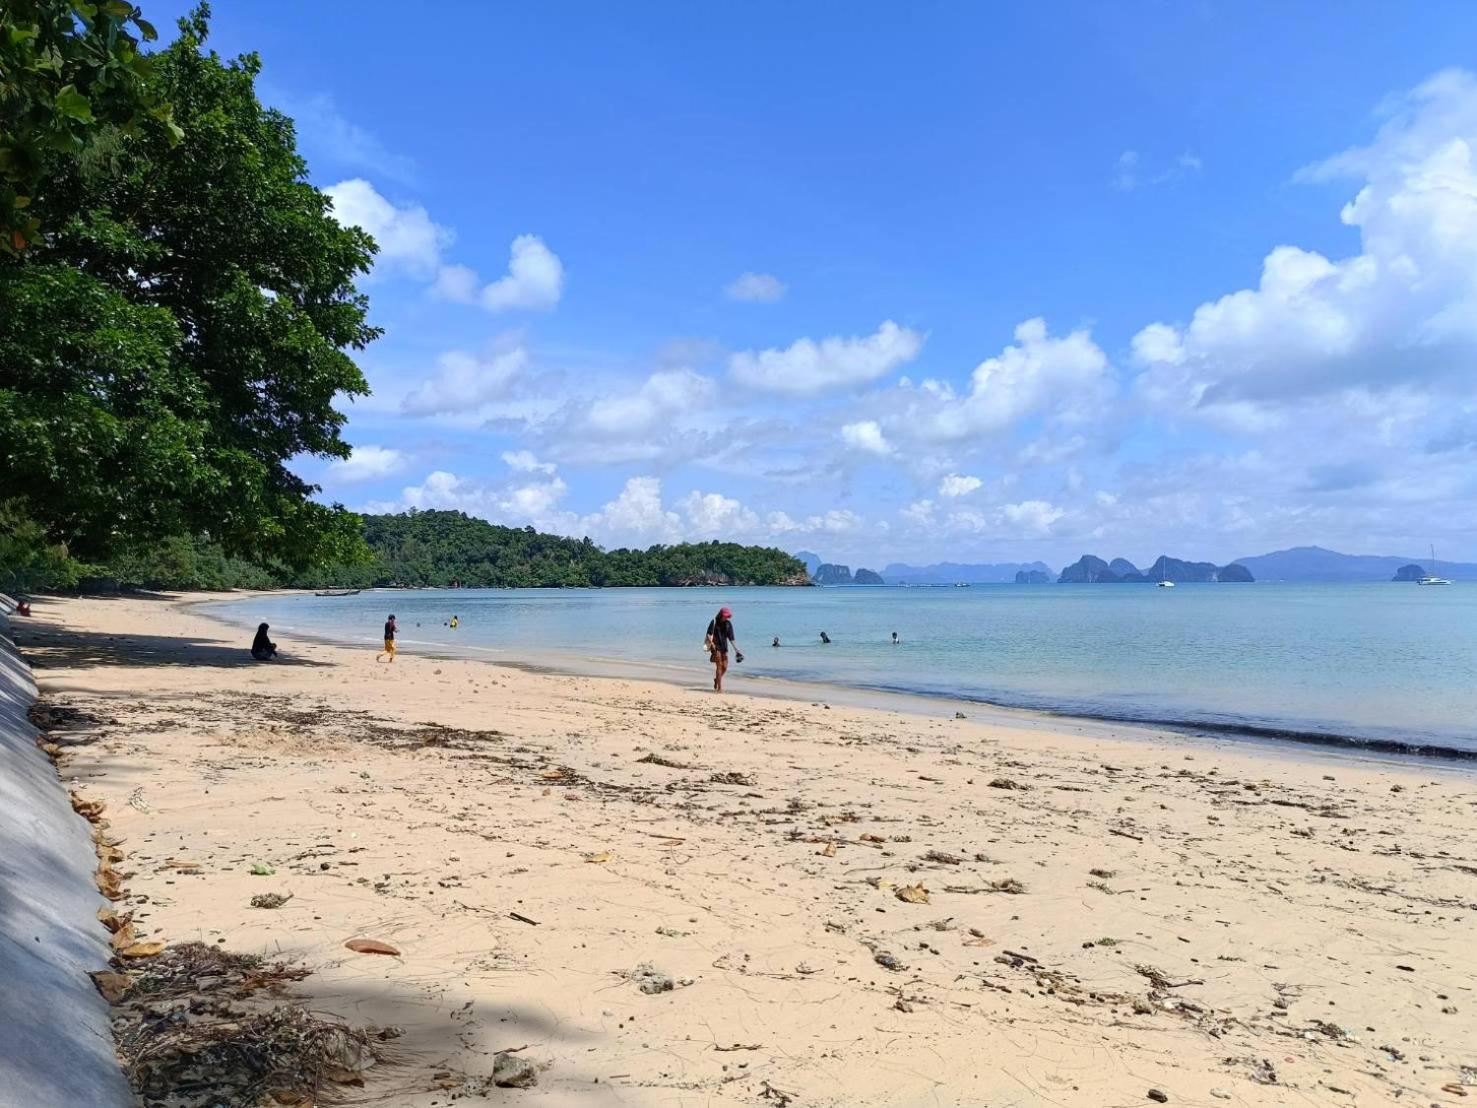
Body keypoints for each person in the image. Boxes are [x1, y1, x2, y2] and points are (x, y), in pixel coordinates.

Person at [705, 606, 742, 693]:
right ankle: (719, 688)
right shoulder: (714, 622)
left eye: (727, 616)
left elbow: (731, 638)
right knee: (719, 667)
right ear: (721, 615)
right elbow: (709, 634)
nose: (726, 617)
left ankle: (717, 679)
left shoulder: (728, 624)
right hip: (716, 647)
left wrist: (736, 649)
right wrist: (712, 643)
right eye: (725, 616)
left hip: (724, 647)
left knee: (724, 667)